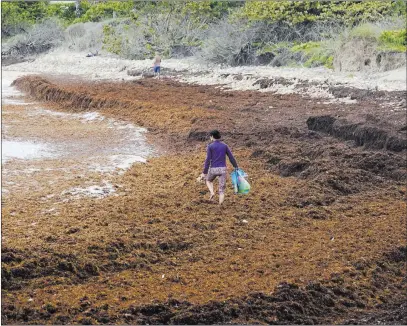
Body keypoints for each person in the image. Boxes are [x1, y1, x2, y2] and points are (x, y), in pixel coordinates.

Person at [199, 130, 238, 205]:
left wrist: (204, 172)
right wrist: (236, 166)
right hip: (222, 169)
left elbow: (207, 160)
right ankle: (220, 206)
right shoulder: (224, 146)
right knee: (221, 190)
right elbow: (231, 157)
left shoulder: (210, 146)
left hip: (213, 169)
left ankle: (212, 192)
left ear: (212, 137)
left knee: (208, 181)